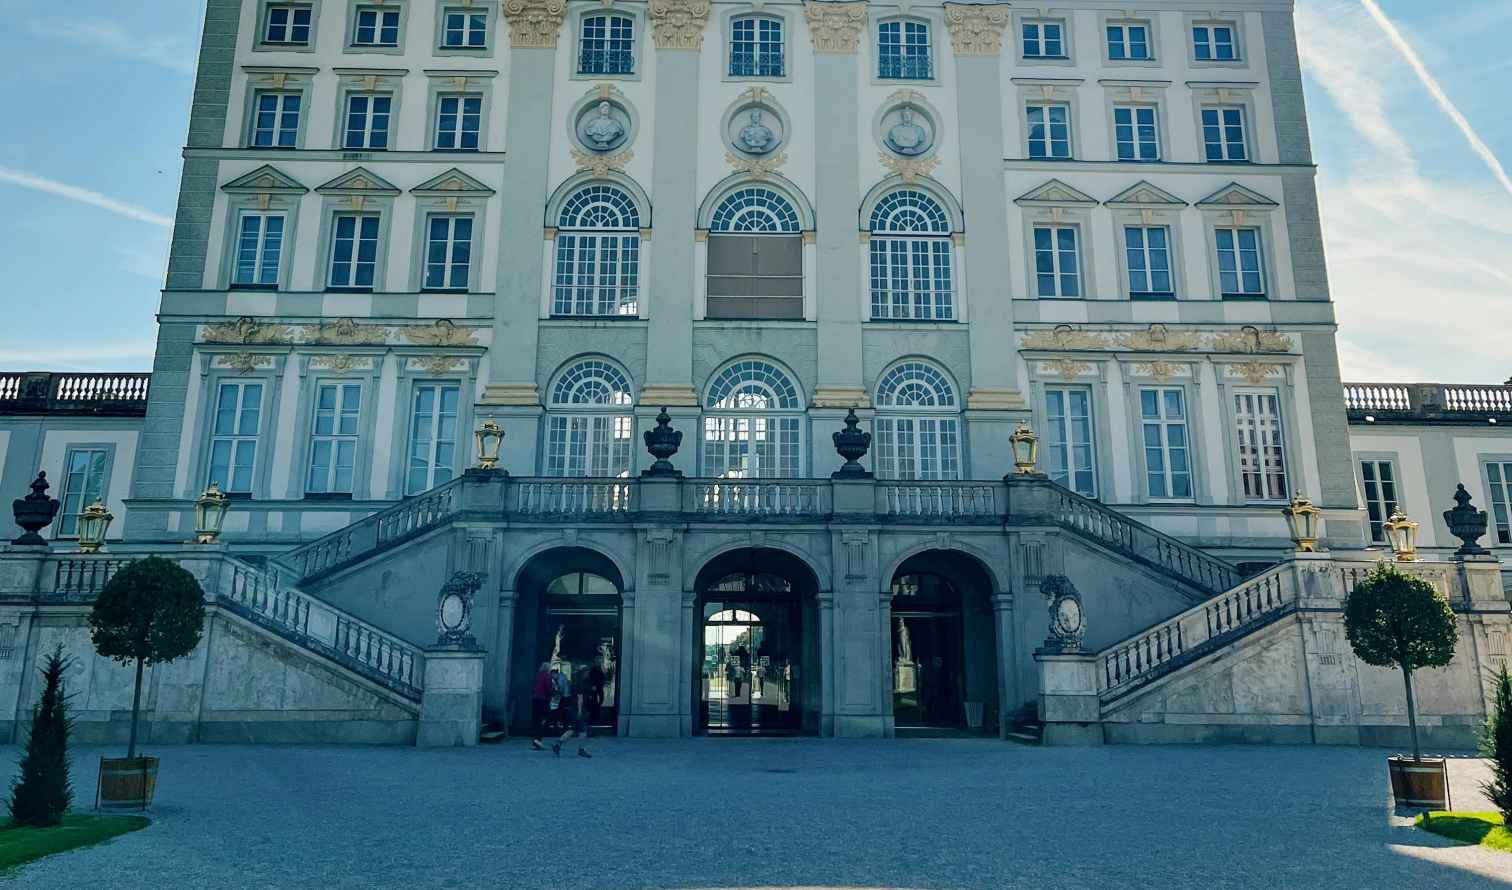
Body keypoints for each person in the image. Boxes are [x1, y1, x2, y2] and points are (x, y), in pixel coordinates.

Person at [552, 664, 594, 758]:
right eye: (587, 671)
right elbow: (580, 697)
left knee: (573, 729)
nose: (588, 673)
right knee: (583, 730)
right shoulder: (581, 683)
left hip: (574, 708)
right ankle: (581, 749)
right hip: (578, 708)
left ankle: (557, 744)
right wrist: (579, 711)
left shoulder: (577, 682)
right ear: (583, 673)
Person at [530, 662, 554, 750]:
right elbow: (548, 687)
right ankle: (538, 740)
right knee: (544, 719)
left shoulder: (538, 675)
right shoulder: (547, 676)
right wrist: (552, 693)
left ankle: (535, 740)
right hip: (543, 700)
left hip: (535, 699)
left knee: (536, 720)